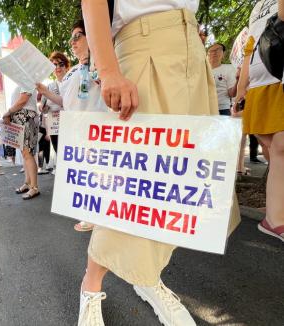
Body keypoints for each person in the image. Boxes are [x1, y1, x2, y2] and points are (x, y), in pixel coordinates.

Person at [77, 1, 241, 325]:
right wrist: (108, 69)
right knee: (130, 189)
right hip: (143, 46)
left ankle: (148, 275)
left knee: (180, 189)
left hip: (192, 51)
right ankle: (90, 284)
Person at [37, 21, 108, 232]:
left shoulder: (101, 61)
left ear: (92, 35)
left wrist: (96, 68)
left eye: (78, 36)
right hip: (76, 130)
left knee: (98, 173)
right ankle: (92, 213)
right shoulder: (73, 71)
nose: (73, 42)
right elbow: (63, 101)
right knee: (86, 173)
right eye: (71, 39)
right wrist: (44, 90)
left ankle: (100, 216)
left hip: (96, 128)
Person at [234, 0, 284, 242]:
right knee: (273, 150)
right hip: (260, 83)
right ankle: (275, 217)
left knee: (280, 147)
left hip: (280, 78)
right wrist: (242, 88)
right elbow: (249, 49)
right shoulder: (257, 7)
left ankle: (274, 218)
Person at [2, 86, 40, 199]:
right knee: (25, 154)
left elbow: (23, 100)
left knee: (27, 153)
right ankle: (28, 183)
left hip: (26, 116)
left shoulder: (26, 78)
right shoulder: (22, 79)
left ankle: (34, 187)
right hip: (22, 116)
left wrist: (8, 112)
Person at [207, 43, 238, 116]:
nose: (214, 52)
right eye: (211, 50)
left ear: (223, 54)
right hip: (205, 108)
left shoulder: (229, 69)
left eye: (218, 50)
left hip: (222, 109)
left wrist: (238, 81)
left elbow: (232, 94)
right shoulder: (202, 71)